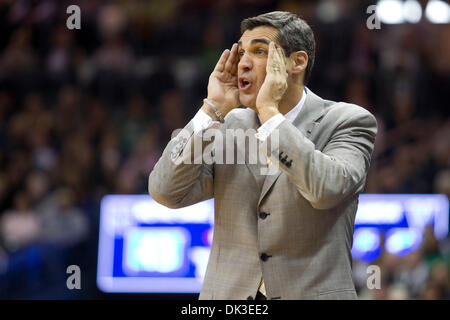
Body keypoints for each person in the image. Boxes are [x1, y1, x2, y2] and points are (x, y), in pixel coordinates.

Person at [149, 11, 377, 300]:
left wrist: (270, 113)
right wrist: (211, 109)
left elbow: (325, 190)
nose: (243, 63)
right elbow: (165, 191)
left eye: (258, 51)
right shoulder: (228, 124)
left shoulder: (348, 121)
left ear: (297, 61)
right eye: (241, 53)